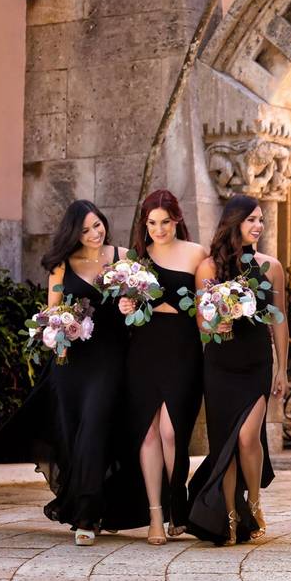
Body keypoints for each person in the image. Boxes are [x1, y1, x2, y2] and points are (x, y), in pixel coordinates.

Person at [0, 200, 129, 546]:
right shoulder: (62, 266)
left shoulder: (123, 257)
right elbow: (52, 314)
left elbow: (137, 305)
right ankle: (84, 506)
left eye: (98, 225)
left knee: (96, 427)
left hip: (110, 360)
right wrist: (57, 333)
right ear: (73, 234)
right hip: (71, 364)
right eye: (86, 230)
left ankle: (87, 515)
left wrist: (131, 304)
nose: (95, 234)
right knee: (73, 433)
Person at [104, 190, 208, 543]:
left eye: (165, 221)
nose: (158, 229)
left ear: (177, 219)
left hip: (183, 351)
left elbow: (204, 306)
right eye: (151, 223)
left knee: (171, 431)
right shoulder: (137, 259)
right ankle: (155, 515)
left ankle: (178, 501)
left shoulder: (197, 254)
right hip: (144, 351)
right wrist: (125, 308)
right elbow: (128, 310)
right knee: (148, 432)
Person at [187, 195, 289, 545]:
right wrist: (217, 325)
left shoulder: (270, 266)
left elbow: (279, 320)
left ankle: (255, 503)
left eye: (260, 219)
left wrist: (282, 369)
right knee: (225, 445)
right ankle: (229, 519)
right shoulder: (208, 268)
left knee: (248, 438)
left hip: (256, 362)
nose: (258, 226)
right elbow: (201, 321)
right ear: (234, 223)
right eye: (251, 220)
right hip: (220, 364)